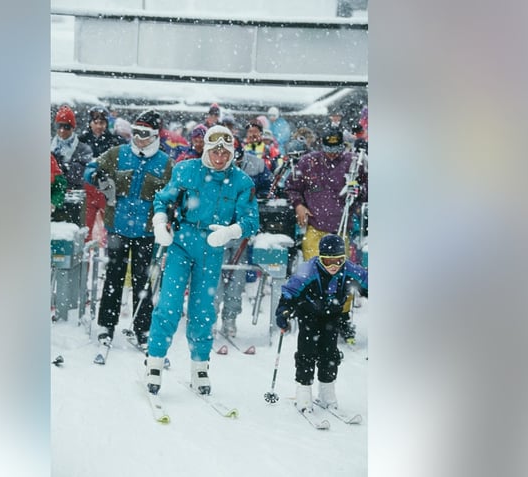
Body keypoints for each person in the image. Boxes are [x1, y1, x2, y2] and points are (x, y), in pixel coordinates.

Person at [145, 125, 260, 395]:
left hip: (213, 246)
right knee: (169, 304)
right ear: (206, 148)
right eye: (215, 151)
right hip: (182, 243)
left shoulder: (242, 182)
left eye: (226, 152)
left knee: (203, 310)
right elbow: (163, 199)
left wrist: (232, 231)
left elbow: (251, 219)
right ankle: (154, 361)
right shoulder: (186, 170)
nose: (220, 157)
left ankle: (200, 365)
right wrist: (160, 222)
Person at [84, 110, 174, 349]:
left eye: (145, 133)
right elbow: (89, 169)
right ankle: (106, 324)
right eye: (135, 132)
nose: (138, 138)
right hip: (118, 228)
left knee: (143, 281)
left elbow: (175, 192)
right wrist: (98, 176)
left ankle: (143, 328)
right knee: (113, 277)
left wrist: (172, 210)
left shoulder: (165, 163)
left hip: (147, 232)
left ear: (155, 135)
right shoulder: (118, 154)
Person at [274, 234, 368, 412]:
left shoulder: (349, 270)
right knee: (307, 352)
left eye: (338, 261)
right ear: (320, 258)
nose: (333, 266)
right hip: (308, 314)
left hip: (332, 316)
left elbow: (367, 281)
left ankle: (327, 392)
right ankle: (303, 392)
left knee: (330, 353)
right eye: (327, 261)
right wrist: (284, 311)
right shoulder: (308, 270)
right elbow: (290, 290)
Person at [284, 126, 356, 261]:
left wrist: (358, 191)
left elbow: (367, 190)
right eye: (329, 150)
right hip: (314, 228)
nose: (333, 154)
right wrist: (298, 205)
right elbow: (291, 187)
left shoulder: (353, 163)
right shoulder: (308, 162)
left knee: (337, 272)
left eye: (337, 150)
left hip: (340, 229)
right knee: (313, 270)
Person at [79, 105, 127, 240]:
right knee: (84, 228)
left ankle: (110, 256)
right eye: (96, 122)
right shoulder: (81, 140)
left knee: (110, 228)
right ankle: (84, 259)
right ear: (90, 123)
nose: (99, 126)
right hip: (87, 187)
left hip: (107, 188)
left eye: (102, 123)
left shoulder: (115, 141)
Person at [51, 105, 93, 189]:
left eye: (66, 127)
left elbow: (82, 175)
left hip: (74, 193)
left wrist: (64, 167)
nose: (62, 130)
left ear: (72, 128)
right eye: (59, 126)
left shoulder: (84, 149)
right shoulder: (48, 144)